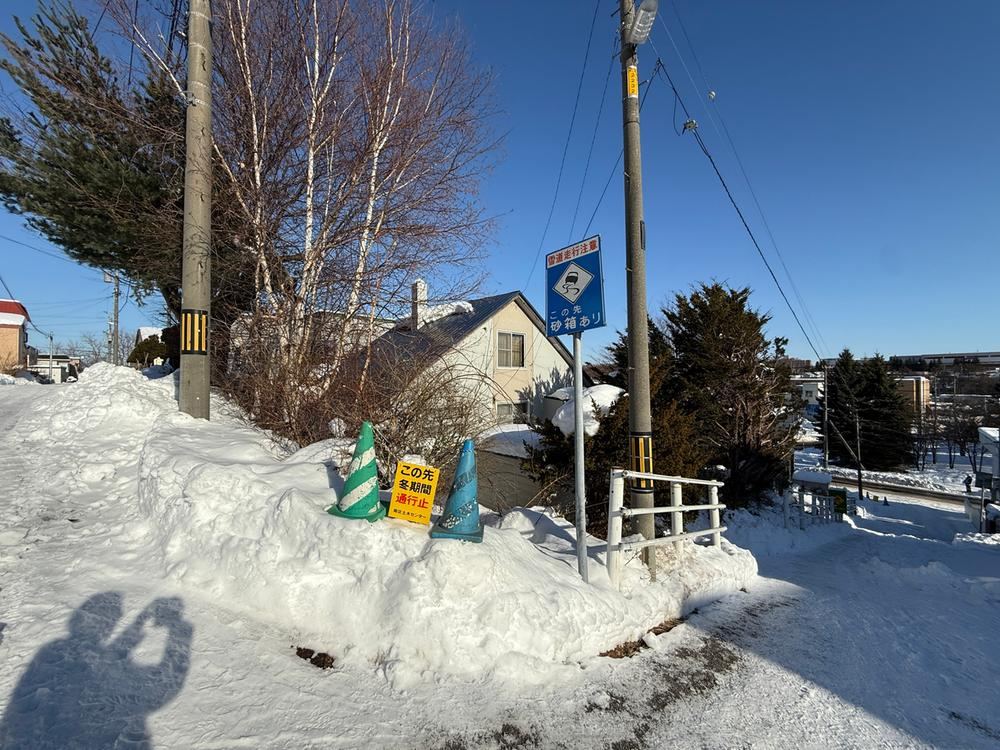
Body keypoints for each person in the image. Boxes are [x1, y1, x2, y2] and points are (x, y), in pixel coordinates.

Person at [0, 593, 192, 750]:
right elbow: (162, 692)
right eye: (114, 617)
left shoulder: (54, 648)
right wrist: (177, 633)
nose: (111, 624)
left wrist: (140, 622)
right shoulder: (59, 650)